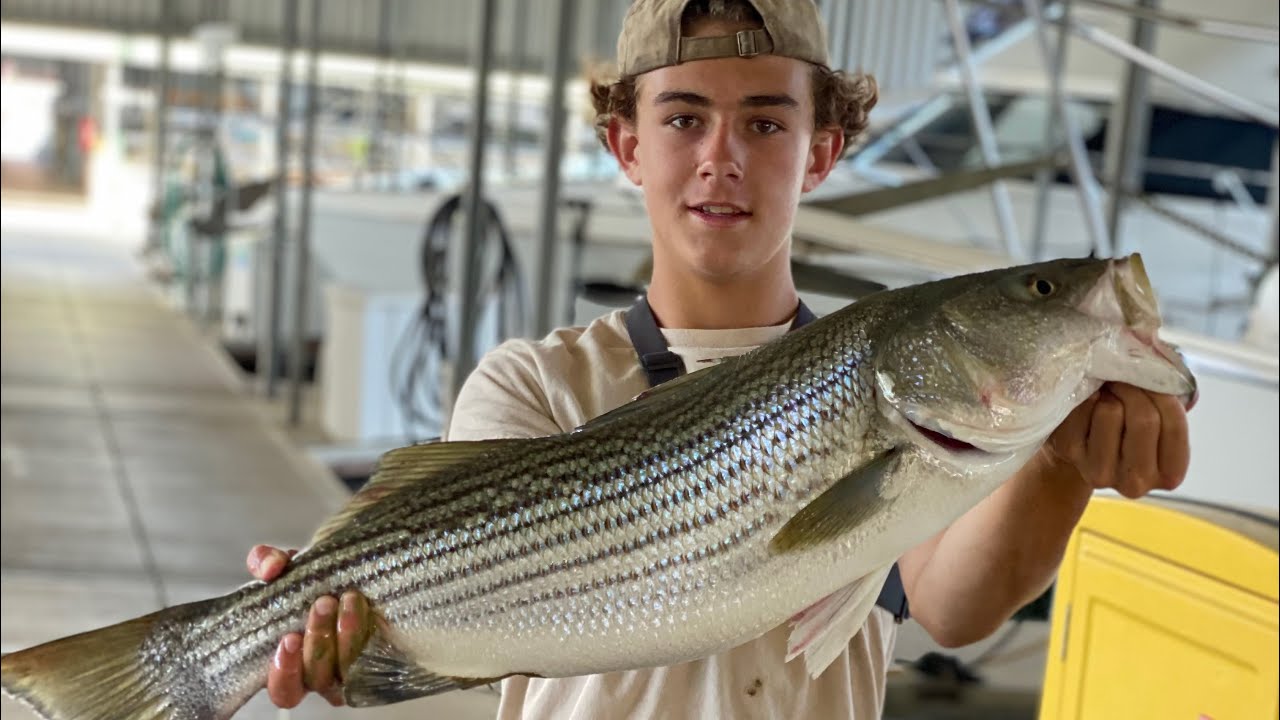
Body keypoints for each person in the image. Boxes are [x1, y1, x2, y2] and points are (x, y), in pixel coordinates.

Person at [246, 0, 1192, 717]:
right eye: (684, 119)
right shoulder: (532, 383)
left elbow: (950, 608)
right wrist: (346, 630)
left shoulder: (915, 418)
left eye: (768, 124)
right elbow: (473, 607)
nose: (721, 157)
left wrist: (1066, 464)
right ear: (627, 145)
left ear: (821, 152)